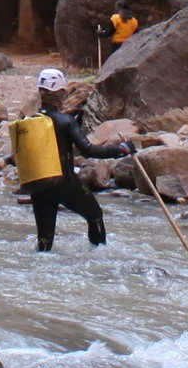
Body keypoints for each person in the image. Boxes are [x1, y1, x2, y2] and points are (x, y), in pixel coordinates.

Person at [12, 68, 134, 251]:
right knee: (95, 215)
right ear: (61, 93)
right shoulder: (66, 121)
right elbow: (88, 150)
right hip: (64, 182)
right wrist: (120, 150)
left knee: (44, 241)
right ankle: (100, 255)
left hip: (38, 185)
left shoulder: (29, 122)